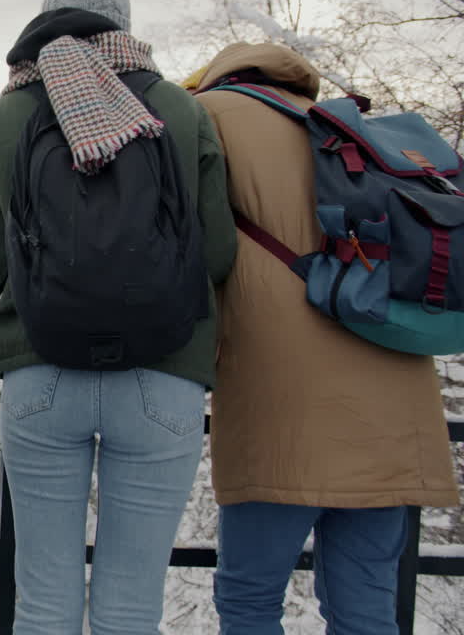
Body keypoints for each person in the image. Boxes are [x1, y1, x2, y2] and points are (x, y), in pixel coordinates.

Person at [0, 0, 236, 632]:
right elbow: (216, 255)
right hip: (163, 371)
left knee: (44, 600)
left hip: (42, 368)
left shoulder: (10, 113)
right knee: (129, 603)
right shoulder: (180, 107)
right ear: (123, 21)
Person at [193, 43, 459, 635]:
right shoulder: (345, 129)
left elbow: (191, 242)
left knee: (249, 598)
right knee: (366, 605)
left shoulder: (208, 115)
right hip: (394, 393)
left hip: (282, 398)